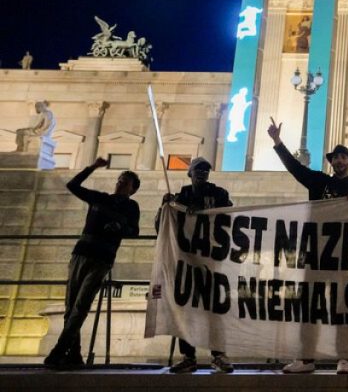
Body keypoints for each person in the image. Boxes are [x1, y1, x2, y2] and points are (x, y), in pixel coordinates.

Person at [268, 118, 348, 375]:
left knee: (343, 308)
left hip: (342, 257)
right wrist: (277, 142)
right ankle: (306, 359)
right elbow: (294, 168)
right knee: (309, 308)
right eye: (335, 158)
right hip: (315, 255)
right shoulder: (317, 181)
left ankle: (344, 359)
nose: (338, 161)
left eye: (343, 157)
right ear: (331, 163)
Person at [43, 157, 140, 370]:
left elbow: (134, 232)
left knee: (81, 305)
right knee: (71, 306)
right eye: (120, 179)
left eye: (125, 181)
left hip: (102, 258)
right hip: (81, 253)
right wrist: (92, 167)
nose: (120, 182)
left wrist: (119, 227)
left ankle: (59, 350)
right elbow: (72, 185)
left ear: (132, 189)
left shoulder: (131, 207)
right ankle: (74, 354)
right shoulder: (100, 198)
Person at [158, 157, 234, 374]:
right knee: (184, 310)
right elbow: (162, 226)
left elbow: (227, 214)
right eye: (198, 169)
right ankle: (188, 356)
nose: (203, 172)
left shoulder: (219, 193)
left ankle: (218, 355)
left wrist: (199, 209)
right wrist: (167, 206)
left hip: (211, 261)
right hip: (187, 262)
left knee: (214, 310)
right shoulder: (181, 196)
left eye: (206, 170)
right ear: (189, 173)